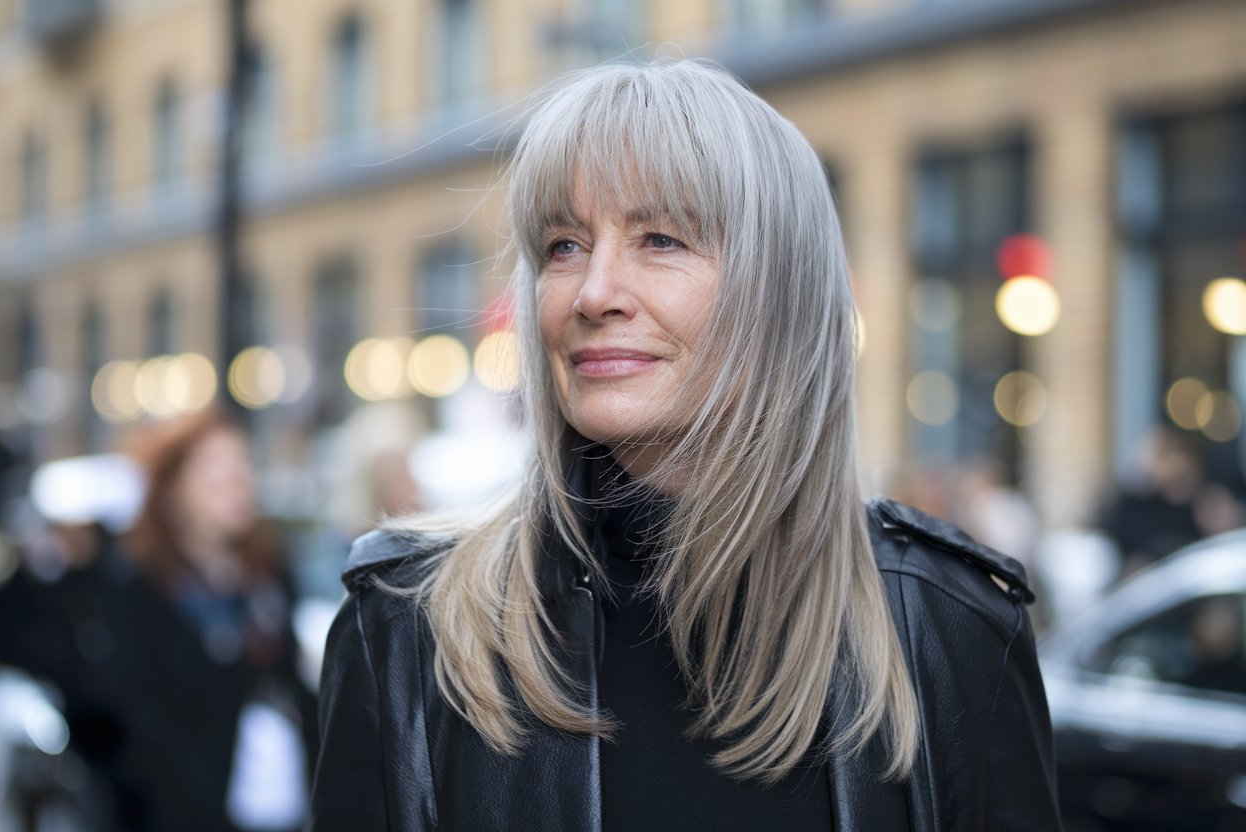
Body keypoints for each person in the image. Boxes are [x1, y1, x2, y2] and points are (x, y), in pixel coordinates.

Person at [310, 60, 1060, 831]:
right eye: (563, 245)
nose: (594, 292)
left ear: (781, 292)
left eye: (659, 239)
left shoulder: (952, 631)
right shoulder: (407, 631)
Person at [113, 411, 318, 832]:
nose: (235, 482)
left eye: (240, 466)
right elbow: (142, 733)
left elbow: (293, 685)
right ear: (172, 492)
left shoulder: (269, 577)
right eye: (214, 471)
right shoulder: (140, 592)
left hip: (282, 804)